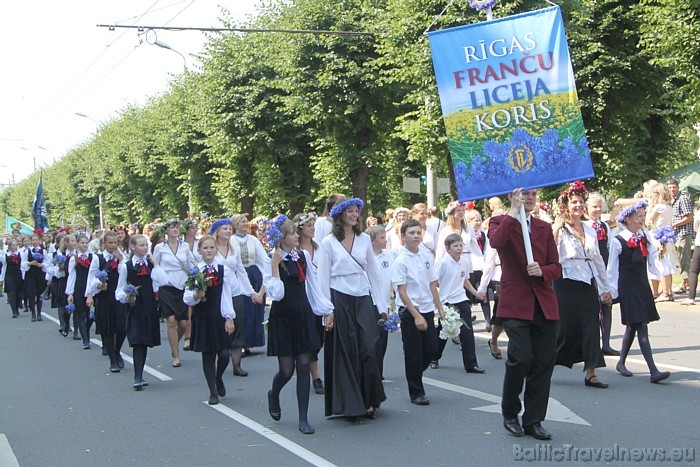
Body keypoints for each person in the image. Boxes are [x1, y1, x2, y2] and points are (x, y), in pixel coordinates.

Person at [488, 187, 561, 440]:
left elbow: (556, 266)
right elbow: (496, 242)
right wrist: (512, 212)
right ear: (511, 197)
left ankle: (534, 420)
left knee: (543, 364)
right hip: (516, 303)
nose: (528, 199)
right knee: (520, 358)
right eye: (523, 195)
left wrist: (543, 271)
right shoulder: (500, 222)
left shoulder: (543, 227)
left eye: (531, 195)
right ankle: (510, 413)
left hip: (544, 303)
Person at [317, 197, 387, 419]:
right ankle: (353, 404)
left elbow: (374, 272)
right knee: (347, 349)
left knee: (370, 344)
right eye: (350, 211)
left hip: (362, 294)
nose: (354, 214)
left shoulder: (364, 238)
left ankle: (370, 398)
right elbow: (323, 277)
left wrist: (382, 304)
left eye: (357, 211)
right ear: (340, 214)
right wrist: (327, 310)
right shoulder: (328, 242)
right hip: (339, 296)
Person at [264, 216, 334, 434]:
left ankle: (303, 418)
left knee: (304, 365)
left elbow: (312, 286)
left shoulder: (301, 256)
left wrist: (326, 309)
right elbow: (277, 294)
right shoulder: (272, 259)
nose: (297, 236)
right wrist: (275, 266)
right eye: (293, 233)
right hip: (283, 317)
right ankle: (273, 394)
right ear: (282, 238)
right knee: (286, 370)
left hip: (303, 315)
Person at [552, 181, 612, 389]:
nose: (578, 205)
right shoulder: (561, 228)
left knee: (590, 326)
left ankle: (591, 372)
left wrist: (605, 288)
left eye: (580, 202)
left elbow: (597, 260)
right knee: (566, 328)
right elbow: (550, 253)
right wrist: (556, 228)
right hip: (565, 280)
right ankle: (546, 362)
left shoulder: (590, 229)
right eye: (574, 202)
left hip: (586, 280)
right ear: (566, 205)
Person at [607, 201, 671, 384]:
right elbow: (611, 269)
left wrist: (659, 252)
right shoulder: (618, 241)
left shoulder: (644, 235)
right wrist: (610, 291)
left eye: (643, 215)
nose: (642, 219)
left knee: (633, 326)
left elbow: (651, 259)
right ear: (628, 219)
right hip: (628, 288)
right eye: (639, 216)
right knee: (641, 325)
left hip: (642, 286)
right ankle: (653, 371)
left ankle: (621, 362)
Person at [391, 219, 445, 406]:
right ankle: (416, 391)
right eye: (411, 233)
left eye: (418, 232)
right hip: (410, 311)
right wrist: (416, 315)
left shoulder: (426, 257)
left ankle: (415, 373)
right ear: (403, 236)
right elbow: (402, 291)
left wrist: (440, 307)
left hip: (427, 308)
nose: (415, 236)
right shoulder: (400, 261)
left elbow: (432, 284)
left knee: (430, 348)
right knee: (413, 352)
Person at [183, 235, 236, 405]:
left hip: (218, 315)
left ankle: (218, 376)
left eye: (211, 248)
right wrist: (195, 296)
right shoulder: (195, 271)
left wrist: (229, 317)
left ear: (216, 249)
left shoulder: (223, 269)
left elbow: (227, 294)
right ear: (199, 250)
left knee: (224, 353)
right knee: (208, 354)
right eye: (205, 248)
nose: (209, 251)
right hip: (203, 316)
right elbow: (187, 298)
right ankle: (212, 390)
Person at [210, 218, 263, 377]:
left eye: (229, 228)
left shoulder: (234, 249)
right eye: (224, 228)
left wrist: (251, 292)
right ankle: (216, 362)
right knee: (219, 328)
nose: (228, 231)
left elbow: (240, 271)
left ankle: (237, 365)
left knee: (238, 327)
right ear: (217, 231)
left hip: (234, 291)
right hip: (216, 293)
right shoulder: (211, 248)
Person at [116, 234, 167, 390]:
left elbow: (163, 281)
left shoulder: (150, 265)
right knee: (138, 340)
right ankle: (137, 376)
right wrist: (127, 297)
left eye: (146, 245)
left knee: (145, 341)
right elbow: (119, 290)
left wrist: (156, 264)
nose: (145, 248)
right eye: (141, 245)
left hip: (149, 306)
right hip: (135, 307)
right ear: (133, 247)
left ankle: (141, 373)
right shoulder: (126, 266)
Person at [433, 233, 485, 374]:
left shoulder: (464, 262)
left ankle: (471, 364)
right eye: (455, 246)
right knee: (444, 331)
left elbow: (465, 280)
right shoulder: (443, 263)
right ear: (448, 248)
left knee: (467, 332)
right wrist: (438, 303)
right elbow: (434, 282)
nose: (459, 248)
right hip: (447, 301)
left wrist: (475, 293)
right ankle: (434, 356)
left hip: (461, 299)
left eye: (461, 245)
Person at [153, 219, 196, 368]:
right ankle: (175, 354)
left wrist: (195, 279)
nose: (175, 230)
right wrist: (155, 287)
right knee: (171, 321)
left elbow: (191, 264)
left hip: (182, 285)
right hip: (167, 286)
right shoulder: (160, 247)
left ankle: (174, 344)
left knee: (184, 323)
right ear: (166, 230)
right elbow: (156, 267)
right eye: (172, 227)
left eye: (177, 227)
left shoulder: (184, 246)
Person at [295, 211, 326, 394]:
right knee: (310, 339)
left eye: (313, 225)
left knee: (320, 338)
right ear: (300, 229)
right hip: (304, 297)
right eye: (308, 225)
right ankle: (315, 377)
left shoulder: (321, 247)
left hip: (320, 296)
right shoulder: (296, 251)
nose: (312, 228)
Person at [584, 193, 619, 355]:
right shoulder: (583, 226)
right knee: (590, 308)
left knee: (606, 304)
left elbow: (610, 247)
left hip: (603, 268)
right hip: (589, 270)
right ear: (586, 208)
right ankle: (590, 343)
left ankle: (606, 343)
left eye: (599, 207)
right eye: (594, 207)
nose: (597, 210)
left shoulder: (605, 226)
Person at [92, 230, 127, 373]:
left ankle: (117, 350)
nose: (113, 246)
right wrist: (97, 286)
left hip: (118, 295)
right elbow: (92, 277)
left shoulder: (122, 257)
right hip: (104, 296)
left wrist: (121, 261)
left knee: (122, 327)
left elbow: (127, 273)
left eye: (115, 243)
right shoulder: (98, 258)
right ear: (104, 243)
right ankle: (112, 359)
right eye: (110, 243)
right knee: (107, 328)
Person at [232, 214, 268, 353]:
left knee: (253, 310)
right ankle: (239, 342)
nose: (245, 224)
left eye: (246, 222)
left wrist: (265, 282)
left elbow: (263, 259)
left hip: (253, 274)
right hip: (237, 275)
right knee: (242, 309)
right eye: (242, 222)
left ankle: (250, 341)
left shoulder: (253, 240)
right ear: (235, 225)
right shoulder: (231, 240)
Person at [365, 225, 395, 380]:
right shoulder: (364, 258)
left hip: (384, 302)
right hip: (370, 302)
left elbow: (393, 277)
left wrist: (392, 294)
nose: (385, 240)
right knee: (373, 337)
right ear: (372, 240)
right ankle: (372, 369)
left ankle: (379, 369)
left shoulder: (388, 257)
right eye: (382, 238)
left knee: (383, 338)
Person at [66, 233, 100, 349]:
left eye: (86, 243)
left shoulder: (94, 257)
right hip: (79, 288)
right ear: (77, 244)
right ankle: (86, 340)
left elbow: (95, 273)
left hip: (91, 287)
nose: (85, 245)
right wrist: (70, 292)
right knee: (80, 313)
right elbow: (71, 276)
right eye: (82, 243)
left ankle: (86, 330)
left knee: (90, 314)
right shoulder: (73, 258)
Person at [646, 183, 677, 302]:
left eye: (654, 194)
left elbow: (648, 221)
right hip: (666, 236)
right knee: (666, 263)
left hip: (657, 236)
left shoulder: (658, 207)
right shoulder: (669, 207)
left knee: (660, 263)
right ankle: (668, 291)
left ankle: (664, 292)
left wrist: (650, 206)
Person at [668, 178, 694, 293]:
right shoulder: (671, 201)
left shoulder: (683, 199)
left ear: (678, 188)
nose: (672, 190)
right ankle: (685, 283)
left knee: (684, 258)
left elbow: (689, 217)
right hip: (675, 234)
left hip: (684, 233)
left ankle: (685, 284)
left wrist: (674, 224)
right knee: (677, 259)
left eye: (674, 187)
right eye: (669, 188)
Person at [21, 234, 47, 322]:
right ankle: (33, 313)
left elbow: (47, 263)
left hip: (40, 274)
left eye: (36, 240)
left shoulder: (43, 251)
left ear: (39, 241)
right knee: (31, 294)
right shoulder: (27, 251)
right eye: (33, 240)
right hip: (30, 274)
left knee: (40, 294)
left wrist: (41, 265)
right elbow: (23, 263)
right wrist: (30, 263)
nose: (35, 241)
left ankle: (39, 313)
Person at [0, 239, 24, 318]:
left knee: (19, 293)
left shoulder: (20, 254)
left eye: (16, 245)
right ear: (9, 247)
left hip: (18, 275)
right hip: (9, 275)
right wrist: (1, 279)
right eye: (13, 245)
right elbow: (3, 267)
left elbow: (23, 266)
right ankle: (14, 311)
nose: (15, 247)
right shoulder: (5, 255)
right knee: (12, 293)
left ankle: (17, 307)